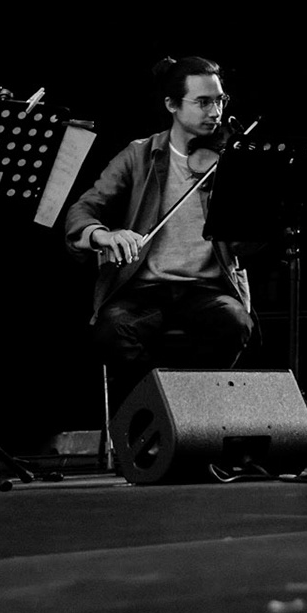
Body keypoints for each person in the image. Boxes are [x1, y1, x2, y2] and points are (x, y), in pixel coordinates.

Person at [64, 56, 257, 407]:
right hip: (144, 289)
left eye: (220, 100)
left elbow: (250, 242)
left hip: (207, 289)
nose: (215, 112)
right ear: (171, 104)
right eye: (203, 102)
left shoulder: (233, 160)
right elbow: (84, 209)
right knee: (113, 330)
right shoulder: (140, 154)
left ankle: (193, 416)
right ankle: (157, 413)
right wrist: (104, 235)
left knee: (235, 324)